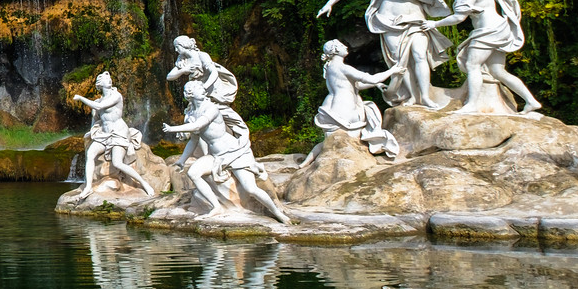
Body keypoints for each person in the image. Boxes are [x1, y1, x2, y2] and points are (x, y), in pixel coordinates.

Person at [316, 0, 452, 109]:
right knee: (400, 62)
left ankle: (425, 96)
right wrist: (330, 3)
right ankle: (411, 96)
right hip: (388, 21)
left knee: (419, 55)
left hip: (414, 18)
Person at [164, 80, 292, 224]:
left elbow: (199, 125)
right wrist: (182, 160)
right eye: (200, 89)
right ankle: (216, 206)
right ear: (191, 94)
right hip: (216, 156)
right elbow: (193, 140)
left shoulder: (211, 108)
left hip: (234, 152)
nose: (204, 91)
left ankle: (277, 213)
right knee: (193, 173)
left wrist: (172, 129)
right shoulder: (191, 115)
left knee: (250, 188)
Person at [426, 0, 541, 117]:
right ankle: (531, 101)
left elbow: (459, 18)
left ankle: (472, 105)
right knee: (497, 71)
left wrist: (433, 24)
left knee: (472, 64)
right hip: (498, 28)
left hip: (489, 31)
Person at [313, 41, 401, 159]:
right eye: (341, 45)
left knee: (329, 141)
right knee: (353, 136)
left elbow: (355, 86)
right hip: (345, 110)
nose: (346, 47)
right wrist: (392, 71)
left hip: (335, 107)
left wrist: (378, 85)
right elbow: (371, 79)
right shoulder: (342, 67)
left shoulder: (330, 68)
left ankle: (305, 162)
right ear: (336, 50)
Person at [72, 70, 154, 196]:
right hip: (104, 134)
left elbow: (99, 107)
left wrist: (81, 98)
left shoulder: (116, 96)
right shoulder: (98, 101)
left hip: (118, 133)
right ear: (100, 84)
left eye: (109, 78)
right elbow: (95, 120)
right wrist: (91, 133)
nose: (109, 80)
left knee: (117, 162)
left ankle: (144, 183)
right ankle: (88, 187)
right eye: (105, 79)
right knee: (90, 154)